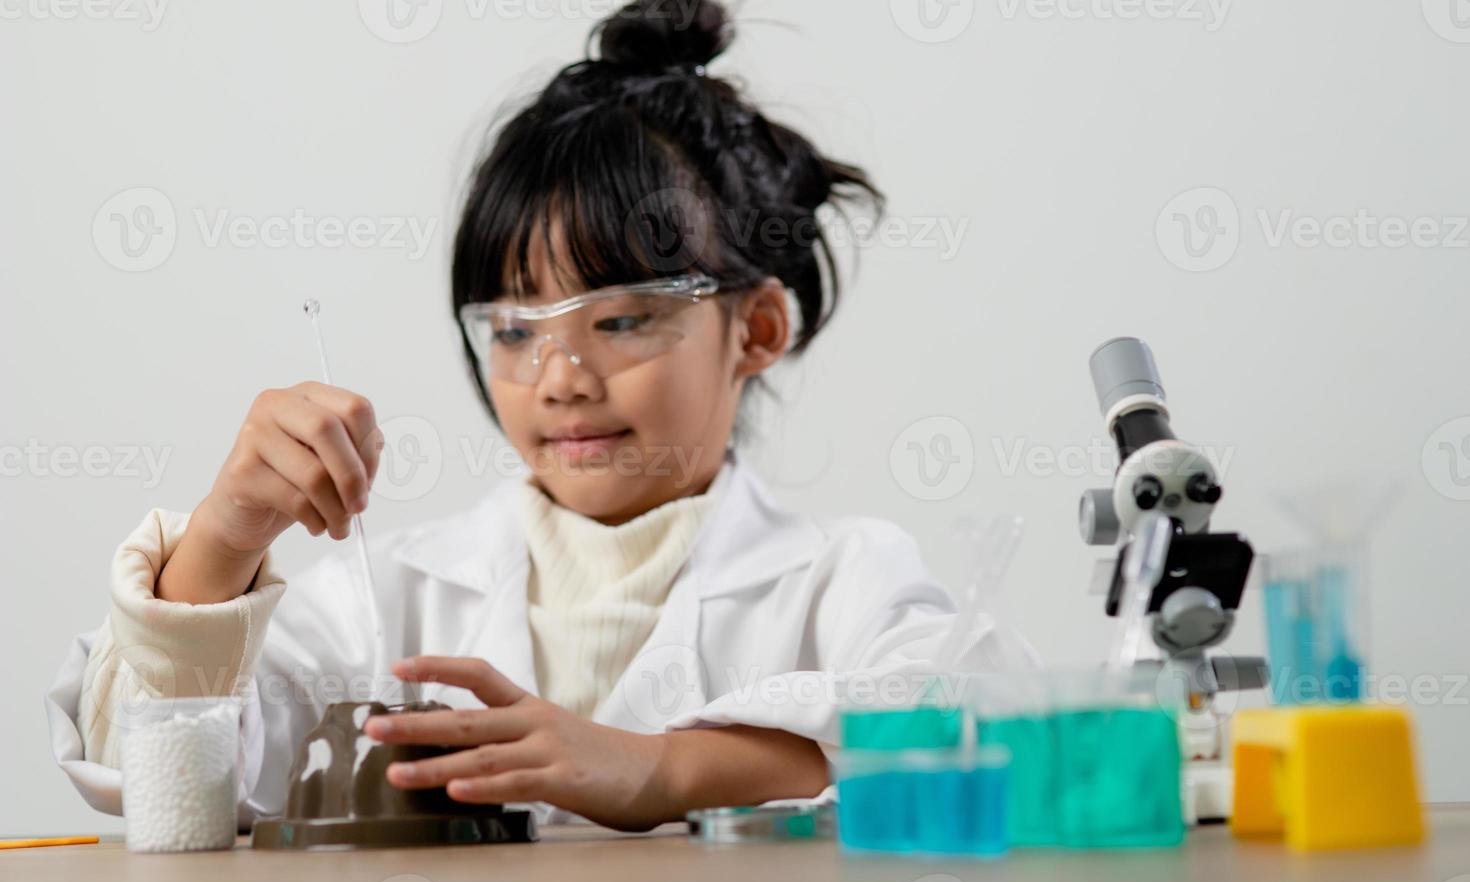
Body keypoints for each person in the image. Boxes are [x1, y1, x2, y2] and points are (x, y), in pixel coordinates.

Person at [47, 0, 1002, 832]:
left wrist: (660, 771)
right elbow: (155, 780)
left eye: (622, 318)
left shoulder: (846, 579)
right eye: (512, 329)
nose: (560, 378)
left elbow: (967, 736)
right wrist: (223, 540)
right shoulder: (389, 601)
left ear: (753, 329)